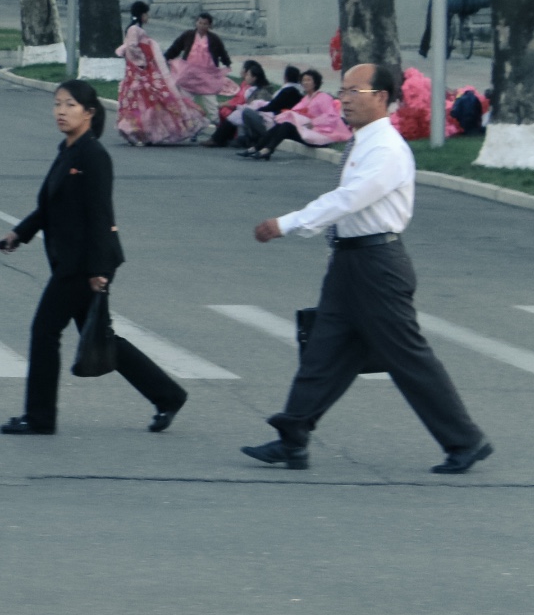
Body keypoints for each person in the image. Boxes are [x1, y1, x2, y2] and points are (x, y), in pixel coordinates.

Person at [242, 63, 493, 474]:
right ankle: (293, 437)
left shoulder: (388, 149)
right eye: (342, 91)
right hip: (351, 261)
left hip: (378, 267)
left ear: (380, 97)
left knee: (408, 358)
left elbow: (349, 199)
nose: (343, 98)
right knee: (324, 350)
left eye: (353, 91)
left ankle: (465, 440)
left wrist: (286, 223)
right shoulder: (363, 141)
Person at [0, 80, 188, 435]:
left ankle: (40, 418)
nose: (61, 112)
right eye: (57, 104)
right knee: (100, 336)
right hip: (73, 261)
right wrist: (18, 233)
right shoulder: (68, 151)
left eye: (70, 105)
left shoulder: (93, 156)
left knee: (44, 331)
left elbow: (102, 215)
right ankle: (168, 395)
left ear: (90, 112)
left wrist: (99, 270)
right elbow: (49, 208)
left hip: (84, 265)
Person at [116, 1, 208, 145]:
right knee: (143, 101)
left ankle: (144, 133)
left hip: (138, 73)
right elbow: (132, 47)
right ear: (141, 15)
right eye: (146, 14)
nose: (148, 17)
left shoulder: (135, 29)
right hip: (139, 73)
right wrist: (143, 61)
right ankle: (136, 132)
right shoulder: (134, 29)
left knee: (146, 101)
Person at [241, 70, 347, 161]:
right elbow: (295, 113)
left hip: (321, 135)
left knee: (287, 126)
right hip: (307, 132)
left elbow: (331, 117)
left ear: (315, 83)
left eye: (308, 80)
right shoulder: (305, 99)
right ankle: (258, 148)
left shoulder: (323, 97)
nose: (305, 83)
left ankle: (267, 149)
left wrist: (313, 122)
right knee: (282, 125)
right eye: (303, 80)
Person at [165, 12, 233, 116]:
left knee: (211, 103)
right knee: (186, 102)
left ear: (209, 25)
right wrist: (166, 57)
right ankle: (189, 124)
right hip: (189, 75)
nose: (201, 26)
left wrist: (227, 63)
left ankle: (217, 123)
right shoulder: (188, 35)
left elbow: (222, 52)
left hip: (207, 76)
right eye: (199, 22)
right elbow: (176, 47)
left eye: (205, 24)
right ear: (196, 23)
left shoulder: (214, 39)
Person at [206, 62, 273, 148]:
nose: (246, 77)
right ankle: (219, 138)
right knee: (234, 114)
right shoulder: (251, 88)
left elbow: (254, 108)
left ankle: (217, 139)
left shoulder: (262, 92)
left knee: (236, 113)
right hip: (251, 114)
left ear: (254, 78)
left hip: (262, 121)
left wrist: (235, 107)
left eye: (248, 75)